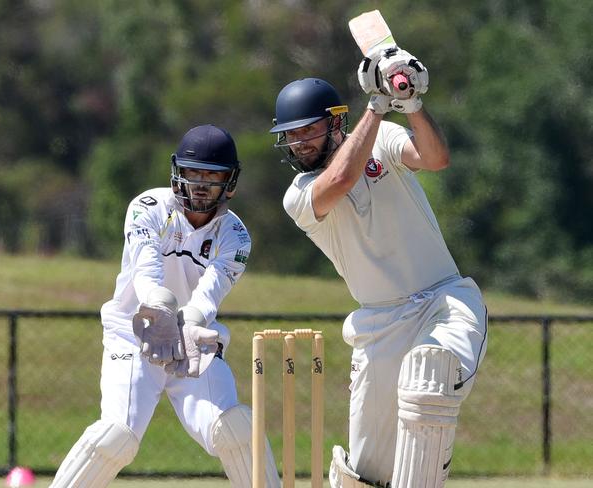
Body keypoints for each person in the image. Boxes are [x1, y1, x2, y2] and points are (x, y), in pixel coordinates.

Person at [269, 46, 488, 488]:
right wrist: (377, 102)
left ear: (335, 122)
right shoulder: (300, 195)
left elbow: (435, 159)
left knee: (430, 382)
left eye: (308, 130)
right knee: (364, 474)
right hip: (379, 326)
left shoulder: (384, 138)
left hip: (445, 300)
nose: (299, 143)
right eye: (292, 135)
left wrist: (411, 105)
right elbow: (342, 180)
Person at [50, 124, 280, 488]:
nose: (201, 184)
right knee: (116, 436)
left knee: (236, 429)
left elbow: (209, 293)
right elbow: (146, 270)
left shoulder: (236, 236)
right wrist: (157, 307)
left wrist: (187, 323)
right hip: (133, 336)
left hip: (193, 342)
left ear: (230, 181)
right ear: (177, 174)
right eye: (193, 174)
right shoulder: (148, 206)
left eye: (212, 175)